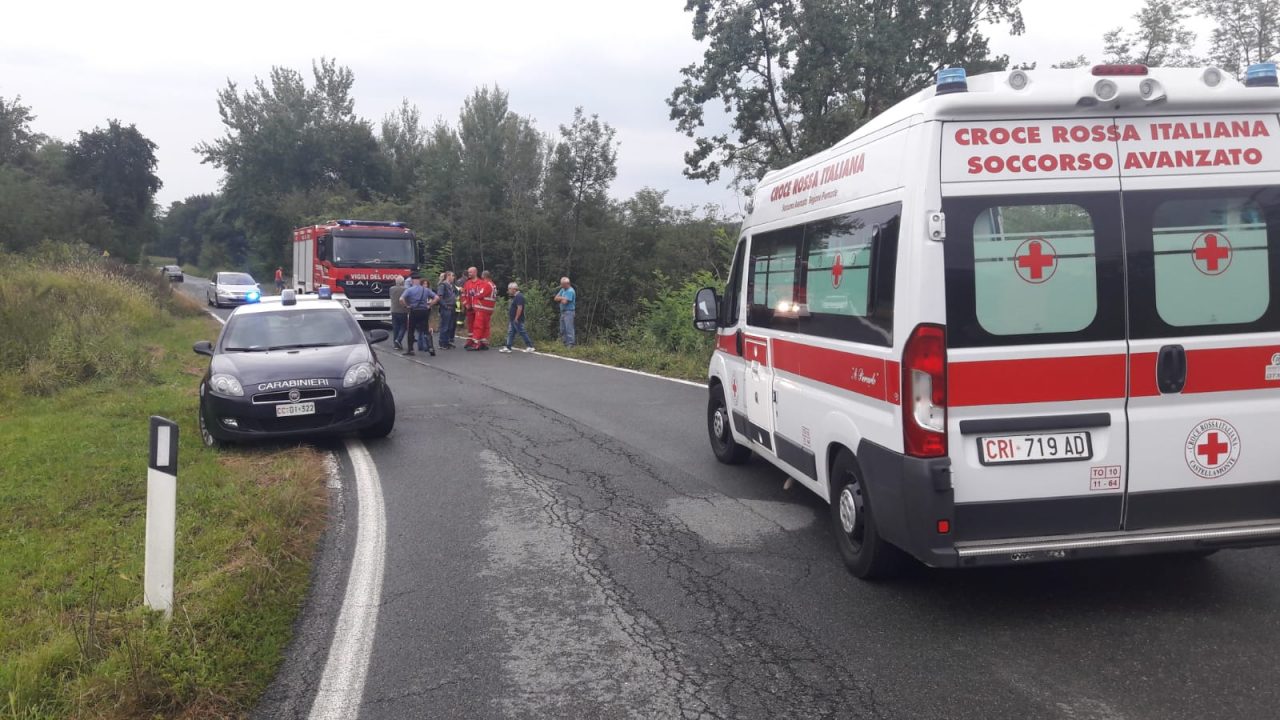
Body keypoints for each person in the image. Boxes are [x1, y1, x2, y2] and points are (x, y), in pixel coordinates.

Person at [400, 274, 437, 356]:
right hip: (424, 311)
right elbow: (436, 297)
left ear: (412, 280)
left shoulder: (409, 290)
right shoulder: (425, 290)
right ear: (419, 280)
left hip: (414, 311)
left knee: (411, 330)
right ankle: (431, 347)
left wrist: (406, 306)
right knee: (426, 329)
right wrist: (429, 305)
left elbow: (401, 299)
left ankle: (411, 350)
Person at [499, 282, 535, 353]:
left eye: (509, 289)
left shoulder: (519, 296)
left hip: (517, 319)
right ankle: (508, 347)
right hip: (512, 319)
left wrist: (516, 318)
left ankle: (530, 346)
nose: (508, 291)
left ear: (514, 289)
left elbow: (520, 308)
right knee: (511, 332)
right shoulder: (515, 297)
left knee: (522, 332)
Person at [467, 270, 498, 351]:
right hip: (489, 309)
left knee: (478, 326)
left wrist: (474, 294)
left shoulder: (486, 284)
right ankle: (483, 342)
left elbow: (480, 294)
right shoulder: (493, 285)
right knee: (485, 326)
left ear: (484, 276)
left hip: (482, 308)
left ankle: (476, 343)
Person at [436, 271, 458, 349]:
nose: (453, 277)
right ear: (448, 276)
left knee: (450, 326)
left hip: (452, 307)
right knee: (445, 326)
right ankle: (442, 342)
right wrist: (445, 306)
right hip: (446, 308)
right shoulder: (443, 285)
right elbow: (440, 297)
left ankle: (447, 341)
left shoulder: (451, 286)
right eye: (452, 276)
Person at [554, 276, 576, 347]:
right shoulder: (563, 290)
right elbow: (555, 298)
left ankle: (570, 344)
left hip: (569, 312)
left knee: (569, 328)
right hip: (563, 312)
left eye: (562, 284)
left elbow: (564, 302)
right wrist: (562, 297)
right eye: (561, 284)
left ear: (567, 283)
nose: (561, 286)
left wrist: (561, 298)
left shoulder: (570, 291)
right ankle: (565, 343)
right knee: (562, 329)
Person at [461, 266, 480, 348]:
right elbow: (463, 295)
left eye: (470, 272)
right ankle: (470, 340)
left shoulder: (481, 283)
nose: (469, 274)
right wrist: (466, 304)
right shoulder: (467, 283)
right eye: (468, 272)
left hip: (478, 309)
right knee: (470, 325)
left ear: (475, 272)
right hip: (469, 308)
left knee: (478, 325)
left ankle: (476, 341)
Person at [389, 276, 407, 350]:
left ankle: (395, 345)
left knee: (395, 327)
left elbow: (390, 297)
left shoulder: (391, 289)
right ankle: (398, 340)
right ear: (403, 282)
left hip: (394, 310)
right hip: (403, 310)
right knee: (403, 326)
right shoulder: (405, 289)